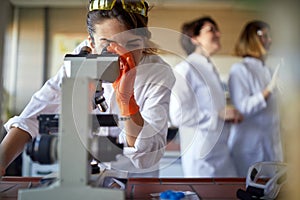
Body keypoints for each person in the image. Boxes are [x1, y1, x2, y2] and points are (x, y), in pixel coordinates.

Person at [0, 0, 175, 177]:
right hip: (83, 173)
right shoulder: (80, 59)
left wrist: (126, 100)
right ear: (91, 43)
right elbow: (32, 117)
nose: (122, 55)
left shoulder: (157, 73)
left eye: (132, 45)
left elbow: (148, 156)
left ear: (144, 42)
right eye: (108, 45)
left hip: (134, 178)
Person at [169, 16, 243, 177]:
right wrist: (217, 115)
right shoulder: (185, 69)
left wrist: (227, 116)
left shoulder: (209, 69)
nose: (219, 34)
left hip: (221, 152)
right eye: (211, 30)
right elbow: (177, 116)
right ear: (195, 38)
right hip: (202, 158)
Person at [228, 20, 283, 177]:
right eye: (264, 36)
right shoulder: (240, 69)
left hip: (271, 146)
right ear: (251, 39)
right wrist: (268, 90)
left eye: (269, 36)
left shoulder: (269, 70)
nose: (270, 40)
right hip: (249, 146)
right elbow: (244, 107)